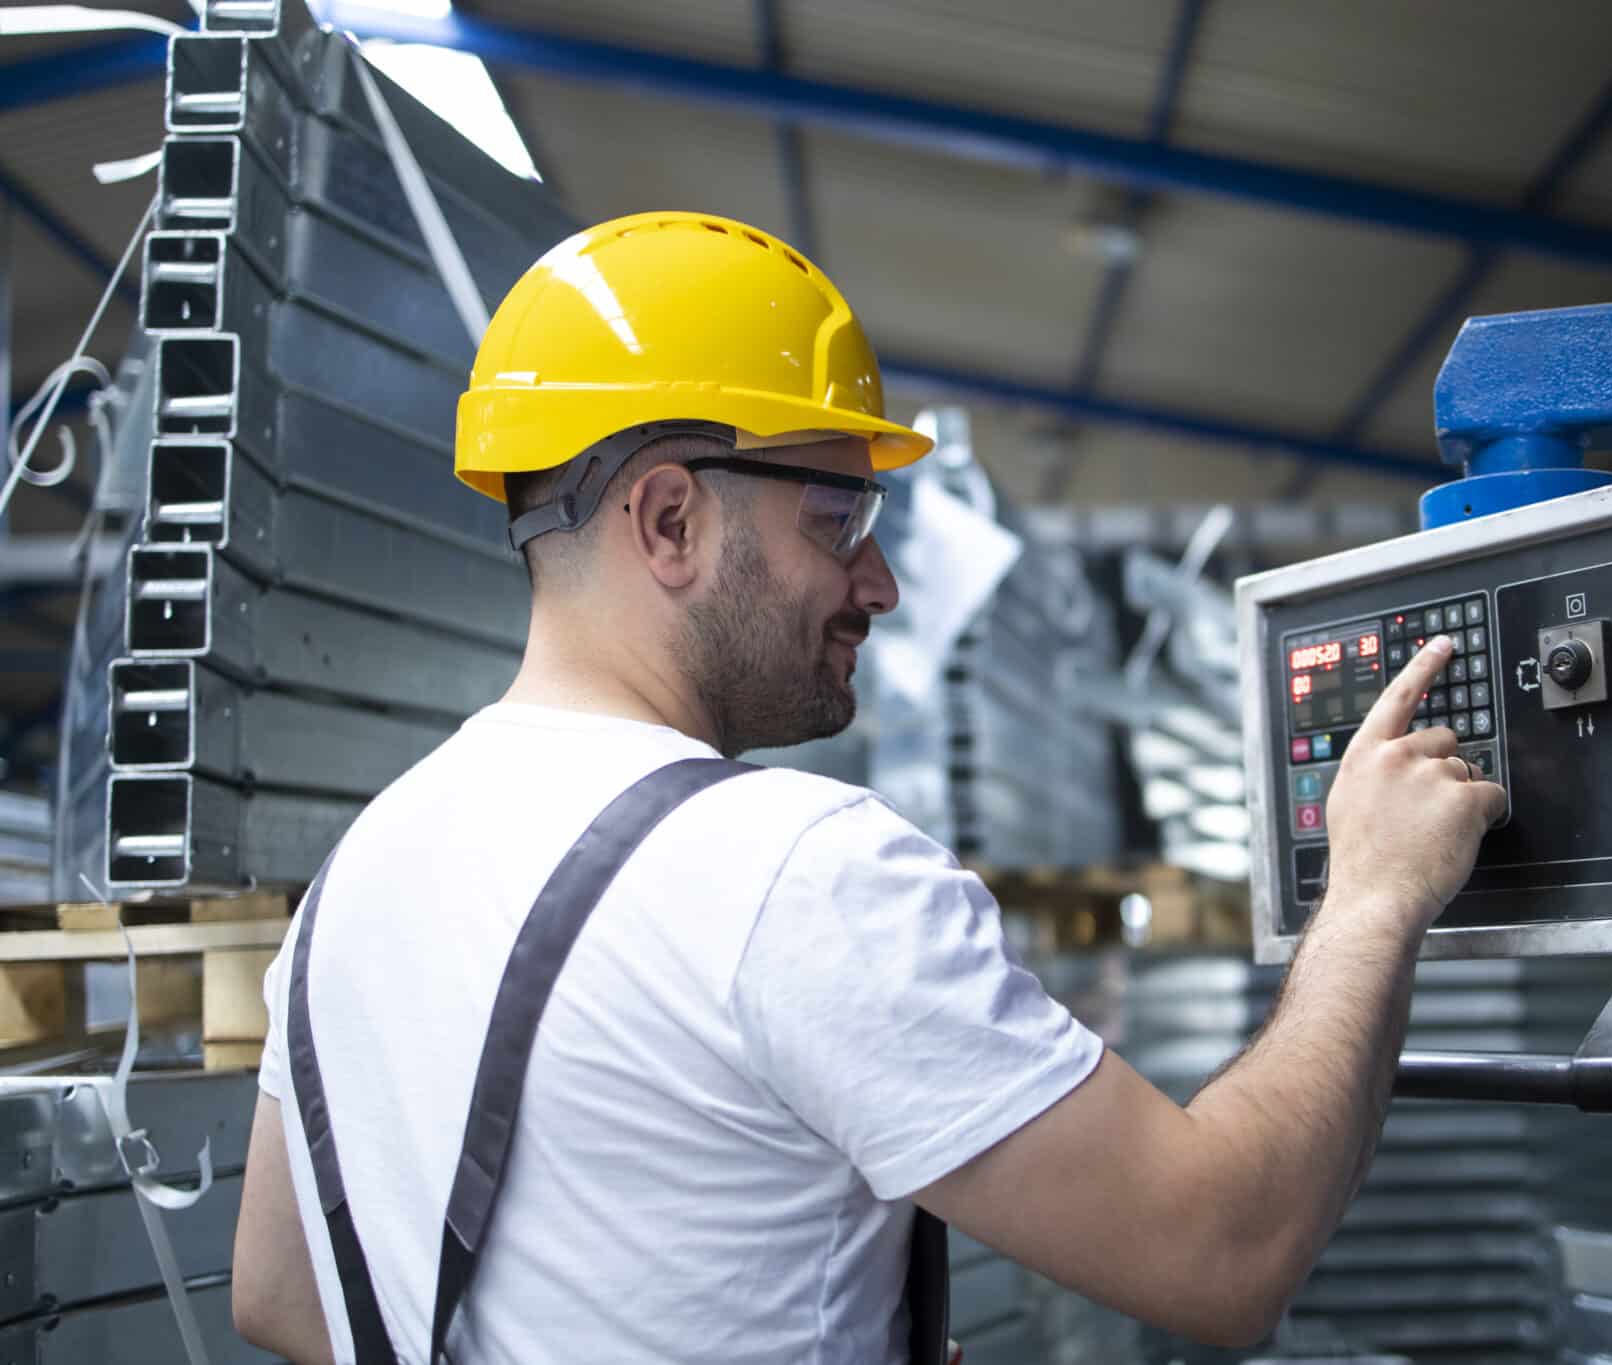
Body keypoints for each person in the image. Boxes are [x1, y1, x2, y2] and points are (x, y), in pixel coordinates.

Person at [231, 211, 1506, 1363]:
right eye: (835, 518)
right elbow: (1221, 1252)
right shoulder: (789, 872)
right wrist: (1373, 896)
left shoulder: (355, 878)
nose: (881, 584)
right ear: (669, 521)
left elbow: (280, 1299)